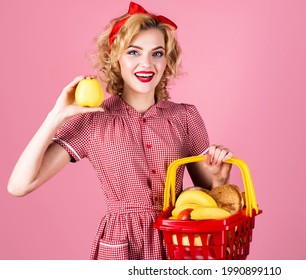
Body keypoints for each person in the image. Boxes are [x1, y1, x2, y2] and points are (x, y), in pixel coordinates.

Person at [7, 2, 233, 260]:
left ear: (167, 60)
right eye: (134, 52)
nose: (146, 64)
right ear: (115, 56)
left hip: (179, 242)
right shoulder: (92, 121)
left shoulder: (185, 117)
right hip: (121, 246)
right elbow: (19, 186)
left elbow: (208, 200)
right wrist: (55, 117)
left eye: (157, 54)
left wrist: (219, 177)